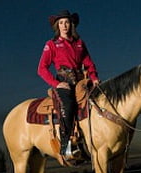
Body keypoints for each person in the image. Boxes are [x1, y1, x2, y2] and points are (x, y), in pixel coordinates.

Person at [38, 10, 100, 160]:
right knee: (69, 104)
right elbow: (41, 69)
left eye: (66, 22)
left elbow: (89, 63)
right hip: (64, 82)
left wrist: (94, 77)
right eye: (61, 23)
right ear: (57, 26)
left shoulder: (79, 43)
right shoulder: (51, 44)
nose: (64, 25)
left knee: (97, 100)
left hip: (81, 81)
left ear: (71, 24)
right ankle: (66, 146)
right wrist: (56, 83)